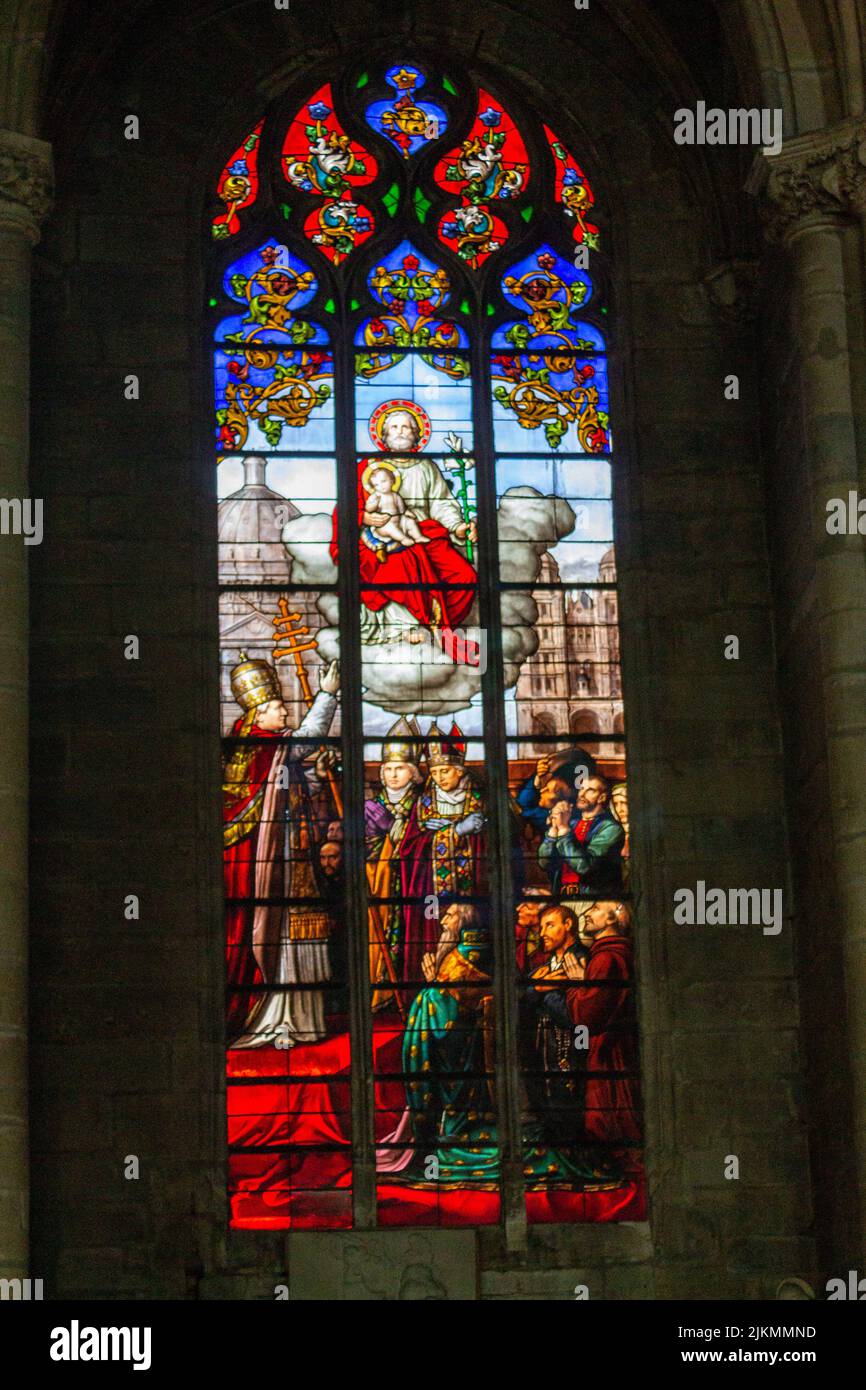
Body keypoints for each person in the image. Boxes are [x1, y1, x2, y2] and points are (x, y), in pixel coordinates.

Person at [223, 651, 340, 1047]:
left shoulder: (270, 751)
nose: (285, 714)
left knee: (296, 933)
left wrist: (318, 778)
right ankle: (278, 1020)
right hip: (274, 867)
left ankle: (302, 1021)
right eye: (277, 708)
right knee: (280, 937)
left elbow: (292, 790)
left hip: (292, 858)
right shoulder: (260, 747)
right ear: (258, 714)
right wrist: (326, 695)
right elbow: (304, 744)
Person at [329, 402, 479, 654]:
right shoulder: (369, 467)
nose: (400, 431)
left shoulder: (426, 467)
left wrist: (458, 527)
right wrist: (364, 517)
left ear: (416, 435)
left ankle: (438, 625)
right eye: (394, 427)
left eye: (407, 427)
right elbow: (346, 506)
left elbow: (443, 504)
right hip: (381, 537)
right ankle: (404, 627)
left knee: (465, 576)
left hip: (424, 533)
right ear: (384, 435)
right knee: (405, 562)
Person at [399, 721, 487, 1000]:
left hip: (474, 895)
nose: (439, 777)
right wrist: (453, 832)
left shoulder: (480, 798)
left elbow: (499, 847)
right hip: (430, 899)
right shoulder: (423, 803)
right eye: (434, 771)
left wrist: (477, 833)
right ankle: (428, 998)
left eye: (445, 770)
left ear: (460, 770)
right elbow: (407, 849)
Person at [562, 901, 641, 1144]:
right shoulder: (609, 954)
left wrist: (576, 984)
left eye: (595, 908)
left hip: (608, 1053)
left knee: (605, 1120)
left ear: (612, 918)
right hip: (613, 1048)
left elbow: (586, 1017)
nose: (586, 913)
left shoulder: (606, 957)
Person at [364, 716, 424, 1011]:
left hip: (414, 886)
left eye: (400, 768)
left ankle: (408, 991)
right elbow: (362, 847)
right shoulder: (371, 807)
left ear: (413, 773)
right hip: (380, 885)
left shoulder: (423, 804)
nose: (392, 774)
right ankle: (382, 991)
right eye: (387, 768)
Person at [519, 904, 588, 1147]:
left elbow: (578, 1014)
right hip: (543, 1050)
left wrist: (544, 993)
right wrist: (538, 988)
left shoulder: (582, 961)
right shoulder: (546, 968)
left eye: (550, 925)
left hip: (573, 1046)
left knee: (567, 1100)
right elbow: (522, 997)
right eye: (542, 927)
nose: (543, 933)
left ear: (568, 925)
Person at [539, 772, 624, 898]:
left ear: (601, 797)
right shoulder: (571, 823)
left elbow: (585, 867)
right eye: (581, 789)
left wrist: (563, 829)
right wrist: (553, 830)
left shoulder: (611, 828)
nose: (582, 794)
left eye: (590, 790)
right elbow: (544, 863)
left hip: (593, 899)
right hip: (561, 895)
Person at [516, 747, 597, 837]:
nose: (542, 789)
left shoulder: (580, 815)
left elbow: (524, 808)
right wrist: (537, 778)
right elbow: (522, 806)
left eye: (549, 788)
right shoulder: (547, 813)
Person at [363, 462, 430, 549]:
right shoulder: (376, 496)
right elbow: (368, 509)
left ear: (392, 481)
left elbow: (402, 509)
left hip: (398, 521)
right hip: (384, 526)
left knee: (409, 522)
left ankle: (418, 537)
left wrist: (407, 512)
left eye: (383, 481)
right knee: (391, 527)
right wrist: (374, 504)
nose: (381, 486)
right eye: (376, 485)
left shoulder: (395, 495)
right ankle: (403, 539)